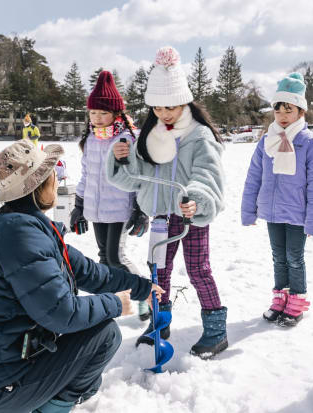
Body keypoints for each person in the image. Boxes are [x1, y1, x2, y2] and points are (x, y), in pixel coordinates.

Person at [0, 140, 162, 413]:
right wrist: (115, 303)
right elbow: (61, 313)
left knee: (90, 372)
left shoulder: (30, 227)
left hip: (4, 363)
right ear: (37, 186)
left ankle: (47, 400)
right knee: (105, 335)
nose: (58, 178)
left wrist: (140, 287)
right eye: (52, 173)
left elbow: (90, 272)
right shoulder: (21, 236)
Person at [107, 46, 227, 359]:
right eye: (158, 108)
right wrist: (121, 160)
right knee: (159, 272)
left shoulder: (199, 136)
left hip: (189, 215)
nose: (164, 114)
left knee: (199, 269)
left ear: (184, 101)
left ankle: (216, 331)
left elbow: (208, 174)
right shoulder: (150, 136)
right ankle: (160, 323)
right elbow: (134, 179)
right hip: (161, 216)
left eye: (170, 106)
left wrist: (197, 201)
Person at [241, 72, 313, 327]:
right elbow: (253, 177)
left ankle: (297, 301)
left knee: (294, 256)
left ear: (300, 111)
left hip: (297, 213)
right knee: (278, 256)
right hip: (272, 211)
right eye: (278, 110)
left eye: (288, 110)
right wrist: (249, 210)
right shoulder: (267, 141)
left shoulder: (311, 144)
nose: (282, 116)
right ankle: (280, 297)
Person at [71, 70, 150, 321]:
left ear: (116, 114)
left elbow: (137, 175)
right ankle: (111, 303)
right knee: (104, 258)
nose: (97, 117)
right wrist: (78, 204)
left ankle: (147, 298)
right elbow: (86, 175)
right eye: (93, 113)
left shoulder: (126, 139)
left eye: (103, 113)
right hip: (96, 208)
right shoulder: (91, 138)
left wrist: (140, 209)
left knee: (117, 257)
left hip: (120, 209)